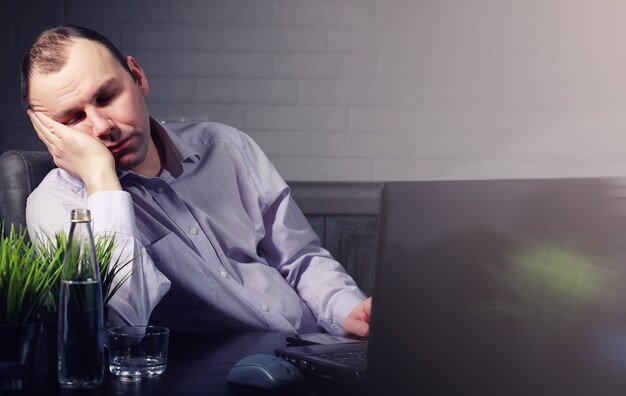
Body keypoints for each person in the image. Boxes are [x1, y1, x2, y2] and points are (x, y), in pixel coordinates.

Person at [22, 25, 371, 336]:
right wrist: (102, 183)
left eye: (107, 97)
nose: (102, 127)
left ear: (137, 76)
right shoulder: (56, 206)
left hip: (313, 346)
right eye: (72, 119)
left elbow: (299, 257)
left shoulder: (226, 146)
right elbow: (123, 323)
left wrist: (348, 310)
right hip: (215, 376)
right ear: (46, 131)